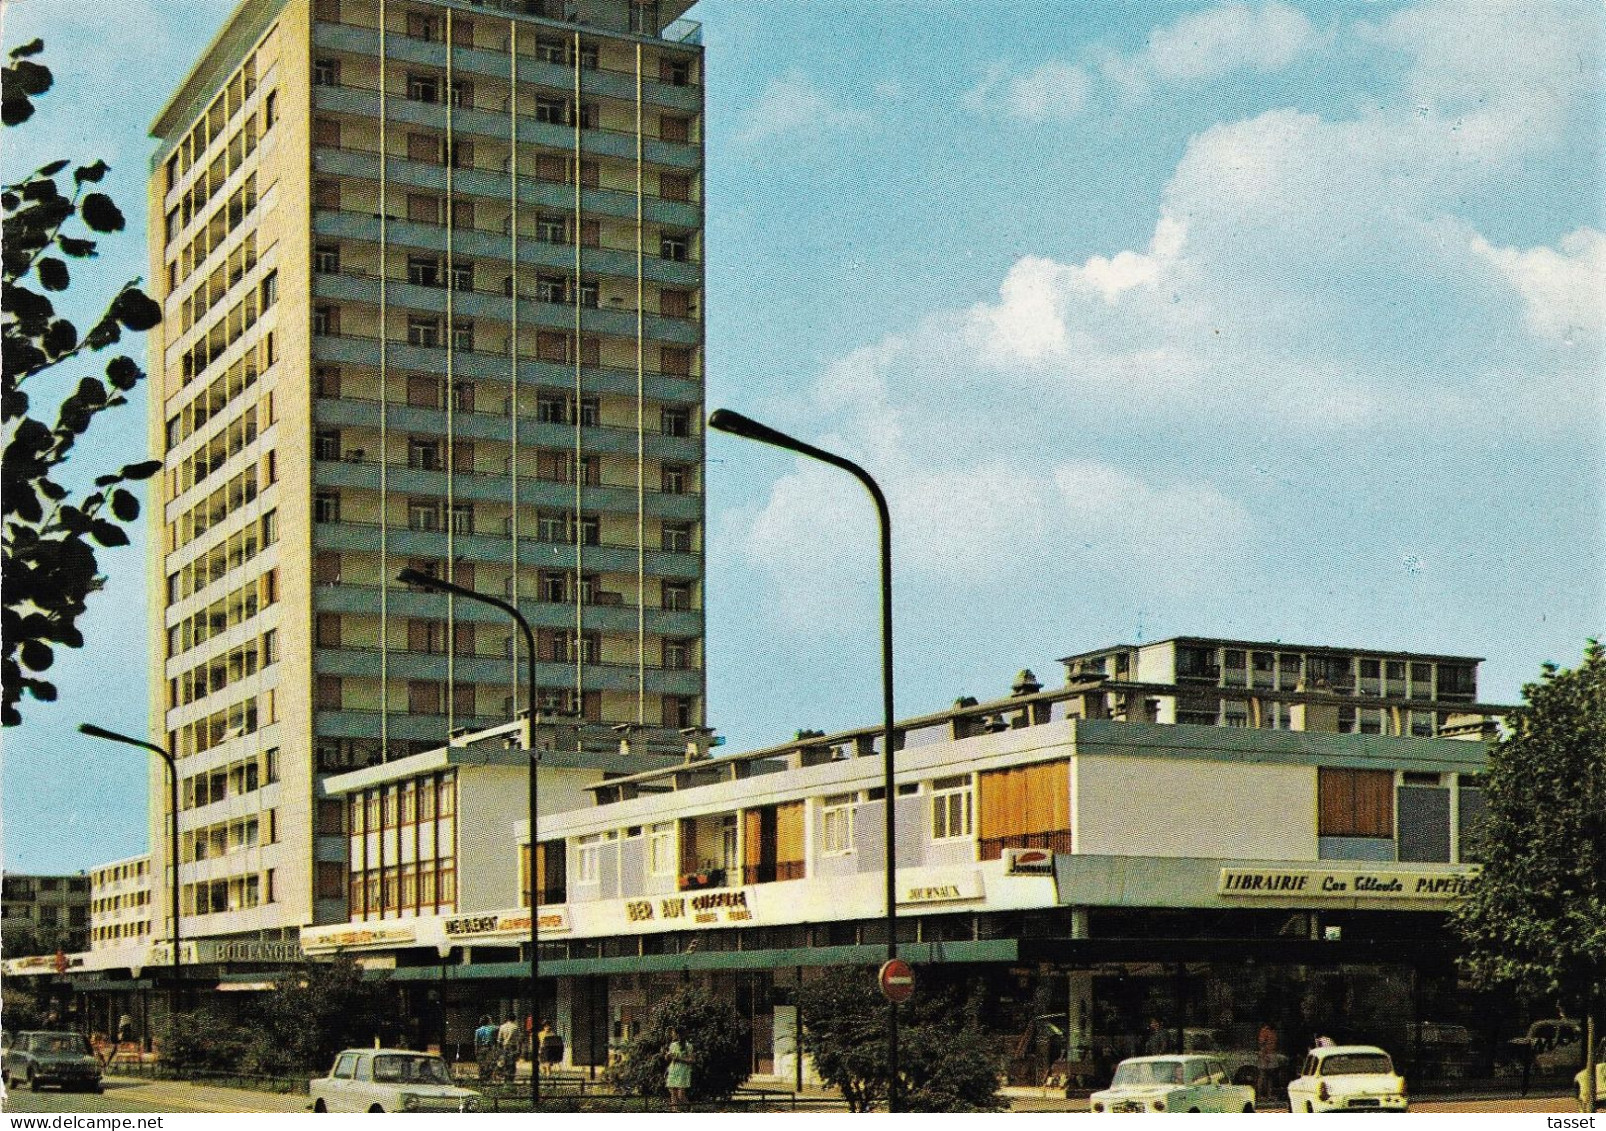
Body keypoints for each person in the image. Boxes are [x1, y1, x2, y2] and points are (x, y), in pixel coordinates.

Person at [665, 1026, 694, 1111]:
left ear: (678, 1035)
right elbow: (669, 1059)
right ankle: (675, 1111)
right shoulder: (672, 1045)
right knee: (673, 1094)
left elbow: (691, 1060)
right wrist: (667, 1056)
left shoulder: (688, 1046)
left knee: (681, 1095)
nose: (672, 1034)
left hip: (683, 1072)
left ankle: (690, 1109)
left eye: (673, 1033)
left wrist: (679, 1058)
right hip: (673, 1070)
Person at [1257, 1021, 1281, 1099]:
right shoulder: (1264, 1030)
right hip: (1265, 1055)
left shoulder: (1273, 1031)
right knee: (1263, 1075)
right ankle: (1259, 1095)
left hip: (1272, 1054)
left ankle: (1269, 1094)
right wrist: (1264, 1055)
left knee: (1270, 1076)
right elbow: (1261, 1044)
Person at [473, 1015, 497, 1083]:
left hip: (480, 1049)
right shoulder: (492, 1028)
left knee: (481, 1065)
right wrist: (491, 1021)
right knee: (489, 1064)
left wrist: (476, 1050)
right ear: (488, 1021)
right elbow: (496, 1027)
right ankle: (488, 1080)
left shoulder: (477, 1031)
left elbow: (476, 1042)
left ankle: (482, 1080)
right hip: (489, 1049)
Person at [497, 1016, 521, 1083]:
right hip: (513, 1047)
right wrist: (519, 1050)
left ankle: (505, 1078)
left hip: (504, 1047)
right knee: (512, 1064)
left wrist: (499, 1049)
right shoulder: (516, 1027)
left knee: (505, 1062)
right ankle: (510, 1080)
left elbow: (499, 1039)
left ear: (507, 1019)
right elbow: (519, 1040)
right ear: (514, 1019)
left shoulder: (502, 1027)